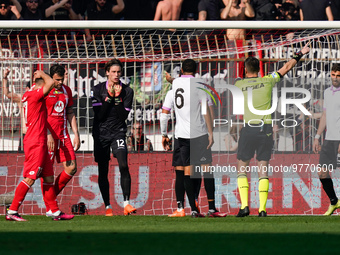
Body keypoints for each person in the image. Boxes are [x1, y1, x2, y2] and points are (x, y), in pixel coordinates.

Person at [235, 44, 310, 217]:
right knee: (263, 167)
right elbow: (286, 67)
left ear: (245, 70)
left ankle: (244, 207)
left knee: (242, 167)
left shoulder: (239, 84)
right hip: (265, 130)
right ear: (259, 69)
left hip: (248, 129)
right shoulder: (268, 80)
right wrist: (300, 53)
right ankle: (262, 209)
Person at [161, 59, 227, 218]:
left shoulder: (175, 85)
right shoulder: (200, 85)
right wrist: (211, 133)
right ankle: (212, 208)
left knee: (187, 172)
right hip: (199, 133)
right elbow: (205, 110)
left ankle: (193, 209)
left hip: (181, 135)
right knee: (207, 170)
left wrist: (164, 134)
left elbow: (164, 114)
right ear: (196, 70)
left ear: (181, 70)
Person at [6, 70, 74, 221]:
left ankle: (55, 211)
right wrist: (42, 73)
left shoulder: (26, 95)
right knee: (30, 178)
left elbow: (8, 93)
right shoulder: (36, 95)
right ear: (41, 87)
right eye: (46, 88)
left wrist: (5, 79)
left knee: (49, 178)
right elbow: (49, 83)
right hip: (35, 140)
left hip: (40, 139)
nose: (49, 90)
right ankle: (12, 211)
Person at [91, 59, 136, 216]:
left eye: (119, 72)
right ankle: (108, 206)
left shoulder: (128, 91)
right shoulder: (97, 90)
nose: (117, 75)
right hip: (101, 133)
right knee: (103, 170)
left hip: (118, 131)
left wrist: (117, 98)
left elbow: (123, 115)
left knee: (123, 164)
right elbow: (100, 115)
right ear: (107, 72)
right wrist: (109, 97)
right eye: (114, 72)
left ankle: (126, 204)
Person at [44, 64, 80, 217]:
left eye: (62, 79)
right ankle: (51, 207)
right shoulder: (45, 90)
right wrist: (47, 134)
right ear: (51, 78)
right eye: (57, 80)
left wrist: (76, 133)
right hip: (49, 135)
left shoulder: (67, 90)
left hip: (63, 135)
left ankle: (50, 202)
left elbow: (70, 112)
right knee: (47, 173)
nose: (60, 82)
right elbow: (40, 114)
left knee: (72, 168)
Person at [313, 64, 340, 215]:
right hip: (329, 139)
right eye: (333, 75)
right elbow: (325, 116)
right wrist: (317, 137)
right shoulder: (327, 92)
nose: (335, 78)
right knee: (322, 173)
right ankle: (334, 202)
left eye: (338, 75)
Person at [2, 68, 30, 151]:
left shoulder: (41, 99)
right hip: (26, 134)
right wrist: (5, 77)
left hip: (37, 135)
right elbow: (7, 93)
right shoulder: (22, 99)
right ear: (27, 89)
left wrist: (65, 80)